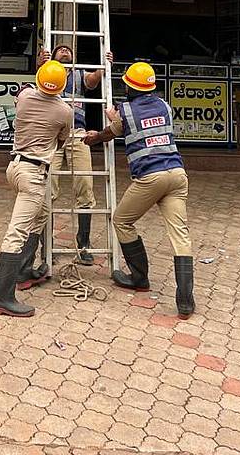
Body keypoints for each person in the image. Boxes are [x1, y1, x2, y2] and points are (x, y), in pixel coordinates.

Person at [84, 61, 195, 317]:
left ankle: (139, 277)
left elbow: (111, 132)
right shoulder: (165, 106)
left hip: (150, 178)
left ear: (130, 86)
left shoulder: (125, 111)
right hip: (178, 175)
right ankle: (186, 302)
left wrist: (99, 132)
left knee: (122, 220)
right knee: (180, 235)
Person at [0, 59, 73, 318]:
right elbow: (62, 141)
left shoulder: (24, 96)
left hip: (15, 167)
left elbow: (26, 90)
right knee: (16, 233)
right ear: (63, 85)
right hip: (34, 174)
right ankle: (1, 298)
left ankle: (24, 271)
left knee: (42, 212)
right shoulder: (64, 111)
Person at [35, 45, 113, 265]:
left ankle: (84, 244)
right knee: (48, 190)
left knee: (85, 187)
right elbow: (38, 81)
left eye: (68, 50)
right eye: (60, 49)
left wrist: (104, 63)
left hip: (78, 134)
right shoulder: (47, 73)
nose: (65, 52)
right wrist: (40, 63)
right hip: (52, 135)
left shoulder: (79, 75)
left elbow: (94, 79)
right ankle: (46, 246)